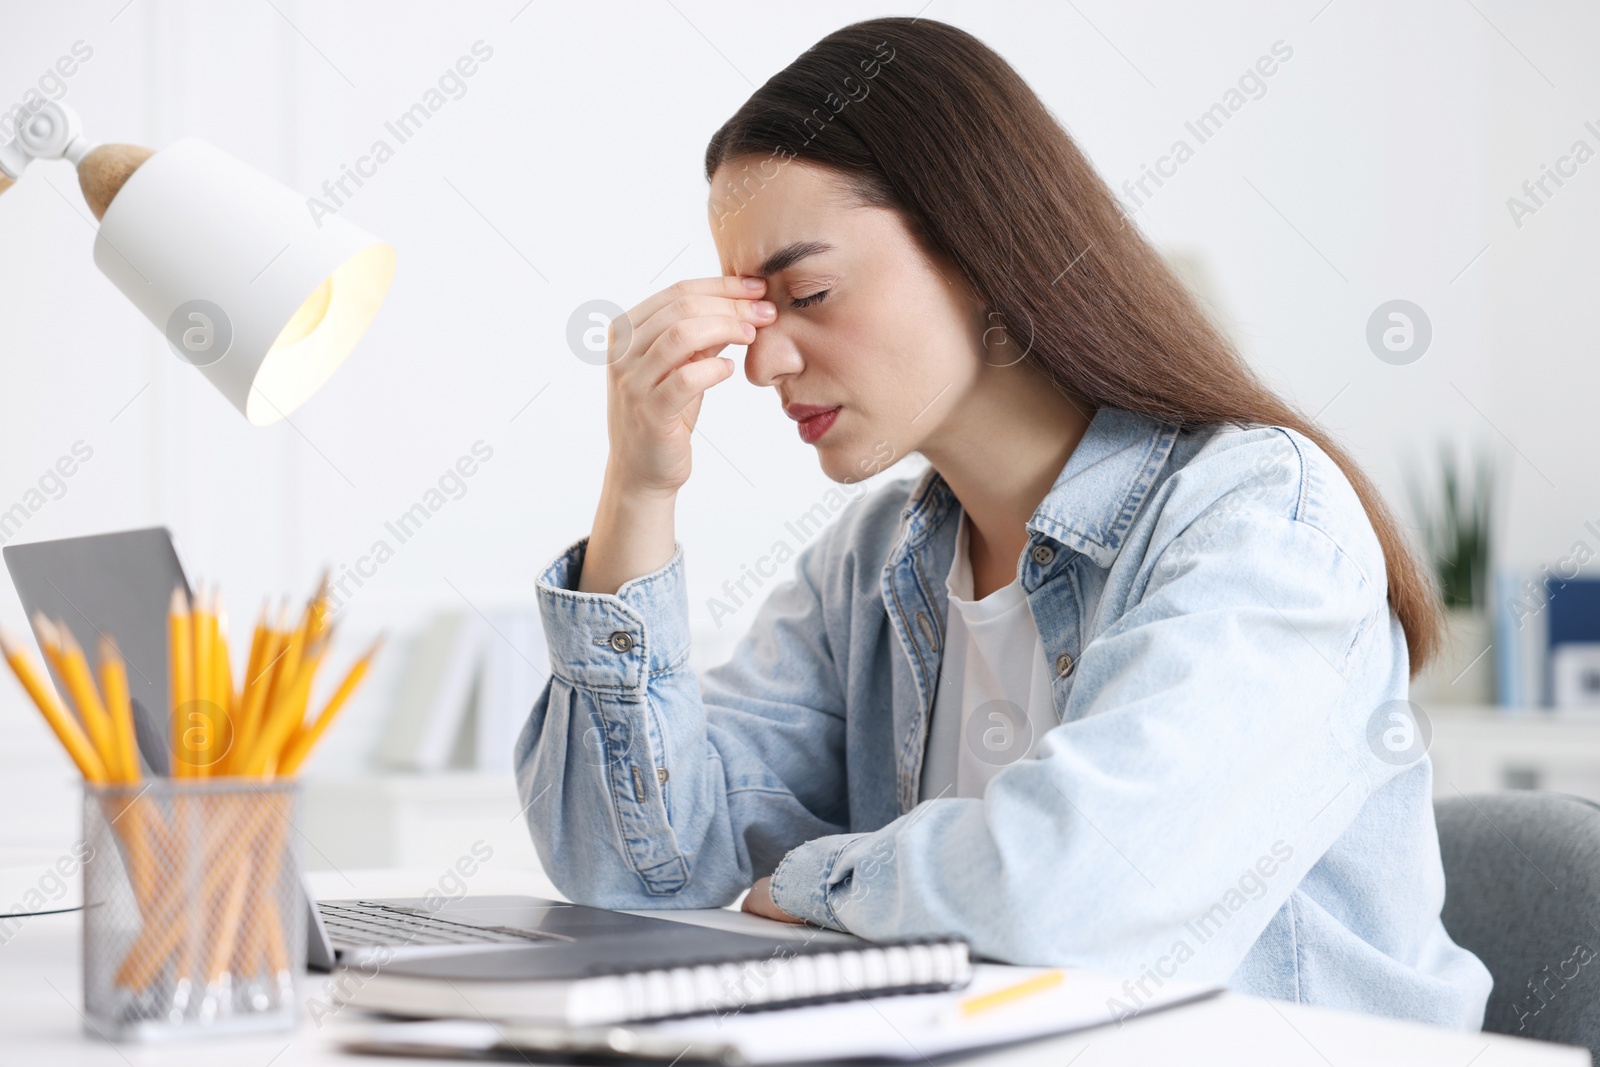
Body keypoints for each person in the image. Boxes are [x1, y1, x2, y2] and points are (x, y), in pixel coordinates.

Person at [514, 16, 1492, 1029]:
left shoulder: (1256, 523)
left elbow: (1074, 896)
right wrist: (639, 486)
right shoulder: (874, 561)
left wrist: (813, 881)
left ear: (981, 254)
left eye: (806, 292)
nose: (761, 364)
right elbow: (630, 873)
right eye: (752, 311)